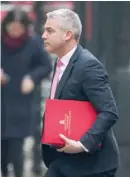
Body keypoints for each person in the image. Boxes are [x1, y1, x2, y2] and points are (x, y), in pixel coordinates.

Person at [41, 9, 120, 177]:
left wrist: (82, 144)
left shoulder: (88, 66)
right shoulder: (60, 62)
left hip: (92, 167)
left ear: (67, 35)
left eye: (50, 31)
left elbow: (109, 112)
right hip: (62, 161)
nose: (43, 36)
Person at [1, 9, 52, 177]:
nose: (15, 30)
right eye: (11, 27)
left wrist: (32, 77)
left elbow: (45, 65)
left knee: (16, 148)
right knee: (3, 150)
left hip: (21, 102)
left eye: (18, 27)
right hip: (2, 100)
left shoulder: (33, 43)